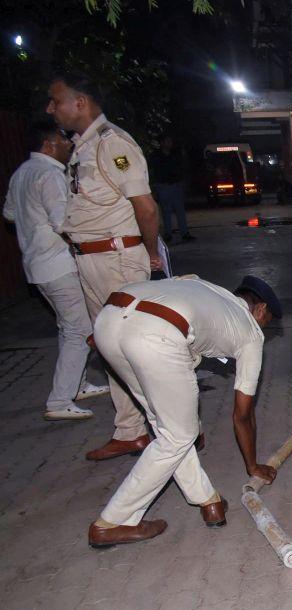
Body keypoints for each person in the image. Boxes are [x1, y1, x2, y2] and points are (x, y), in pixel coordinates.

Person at [87, 275, 281, 547]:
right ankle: (113, 521)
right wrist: (253, 466)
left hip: (109, 319)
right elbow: (243, 415)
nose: (264, 328)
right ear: (260, 309)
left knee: (167, 426)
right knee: (179, 436)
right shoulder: (251, 333)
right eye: (267, 321)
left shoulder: (209, 286)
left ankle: (208, 500)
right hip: (155, 335)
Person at [46, 72, 166, 461]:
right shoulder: (82, 147)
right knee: (110, 348)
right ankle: (131, 431)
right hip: (93, 260)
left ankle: (177, 427)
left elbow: (146, 208)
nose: (50, 108)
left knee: (134, 349)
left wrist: (150, 253)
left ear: (80, 103)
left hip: (117, 260)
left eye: (56, 101)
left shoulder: (113, 144)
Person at [3, 119, 109, 421]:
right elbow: (64, 222)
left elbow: (9, 214)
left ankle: (77, 384)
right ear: (48, 144)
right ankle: (60, 400)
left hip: (37, 263)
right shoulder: (49, 174)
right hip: (57, 263)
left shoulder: (22, 172)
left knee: (69, 326)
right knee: (81, 329)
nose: (68, 145)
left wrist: (33, 223)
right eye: (63, 141)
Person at [149, 134, 192, 243]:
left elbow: (181, 168)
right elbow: (155, 171)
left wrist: (181, 181)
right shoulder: (157, 156)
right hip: (163, 185)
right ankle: (168, 233)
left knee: (180, 210)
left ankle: (184, 233)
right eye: (167, 141)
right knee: (166, 211)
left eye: (170, 141)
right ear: (162, 143)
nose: (170, 143)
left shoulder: (175, 154)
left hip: (175, 185)